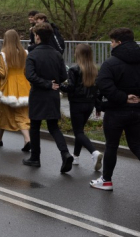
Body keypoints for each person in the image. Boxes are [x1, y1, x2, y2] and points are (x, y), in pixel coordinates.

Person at [90, 28, 140, 191]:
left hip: (116, 111)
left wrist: (123, 97)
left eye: (112, 42)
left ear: (119, 42)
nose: (111, 45)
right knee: (135, 144)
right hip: (137, 110)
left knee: (112, 145)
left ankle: (106, 181)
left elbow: (103, 84)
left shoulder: (111, 63)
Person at [22, 22, 73, 173]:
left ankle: (35, 158)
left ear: (37, 37)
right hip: (53, 94)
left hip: (38, 94)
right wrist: (53, 82)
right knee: (53, 127)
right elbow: (64, 75)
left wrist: (45, 83)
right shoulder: (57, 54)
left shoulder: (33, 54)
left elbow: (30, 75)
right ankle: (65, 153)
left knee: (35, 126)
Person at [59, 44, 102, 170]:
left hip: (77, 104)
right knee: (80, 131)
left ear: (79, 54)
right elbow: (97, 91)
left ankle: (94, 152)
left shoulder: (74, 69)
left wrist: (59, 85)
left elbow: (70, 88)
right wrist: (98, 107)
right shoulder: (95, 69)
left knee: (78, 132)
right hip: (90, 104)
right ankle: (76, 157)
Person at [0, 30, 31, 151]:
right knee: (22, 114)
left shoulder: (3, 54)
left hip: (8, 87)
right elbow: (26, 71)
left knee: (2, 113)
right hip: (23, 86)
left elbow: (3, 73)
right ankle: (27, 139)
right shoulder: (25, 53)